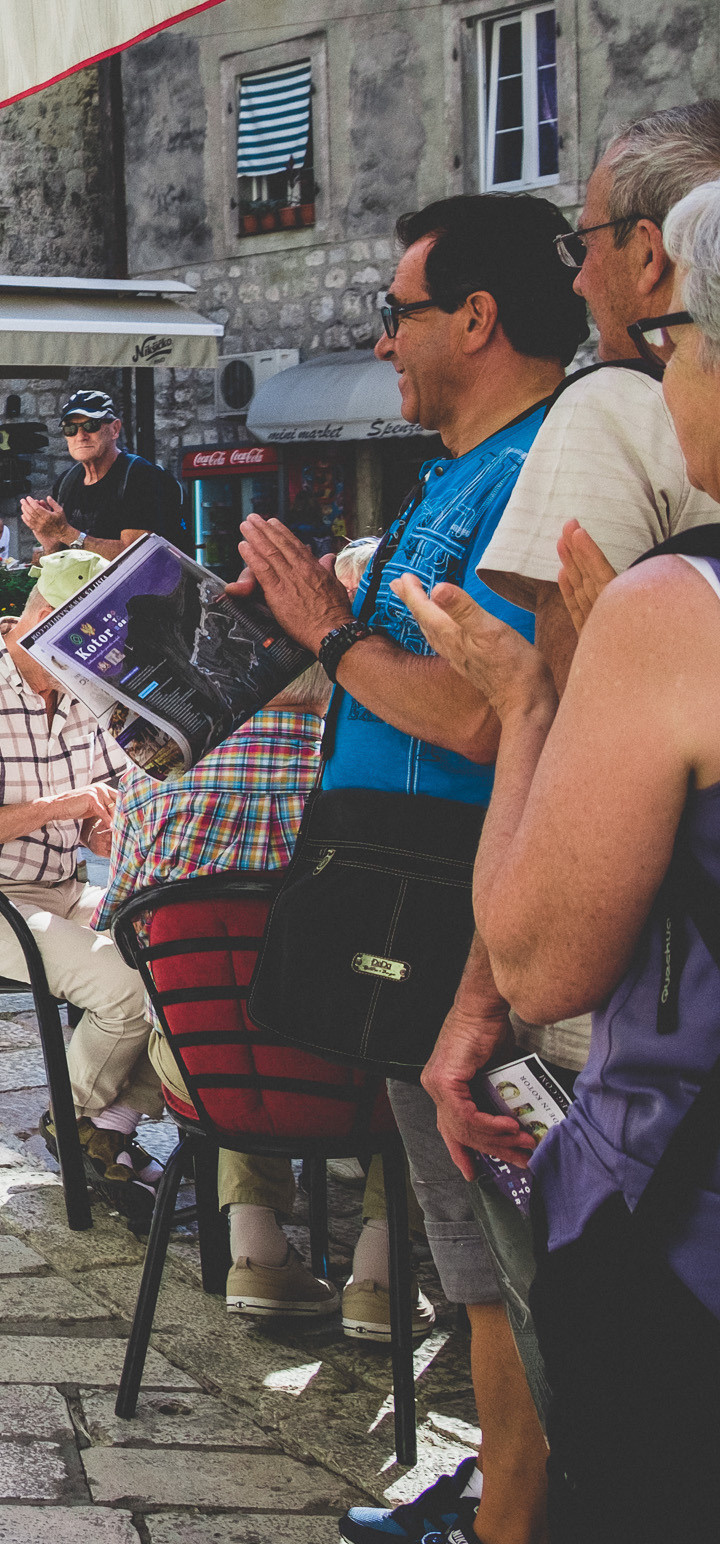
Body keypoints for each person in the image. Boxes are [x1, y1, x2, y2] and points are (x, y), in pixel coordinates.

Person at [230, 193, 588, 1544]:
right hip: (413, 884)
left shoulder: (536, 471)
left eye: (400, 311)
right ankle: (500, 1490)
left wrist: (329, 633)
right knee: (471, 1255)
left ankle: (518, 1517)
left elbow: (491, 716)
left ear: (478, 321)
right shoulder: (465, 469)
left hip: (462, 900)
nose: (385, 339)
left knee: (500, 1255)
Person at [392, 176, 720, 1544]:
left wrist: (534, 703)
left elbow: (539, 952)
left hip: (687, 1228)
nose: (659, 366)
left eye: (683, 343)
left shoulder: (680, 608)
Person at [99, 542, 427, 1338]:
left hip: (209, 1068)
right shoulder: (370, 775)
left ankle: (257, 1249)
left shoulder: (151, 774)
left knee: (241, 992)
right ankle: (382, 1270)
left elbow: (124, 923)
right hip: (348, 1075)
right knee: (416, 1010)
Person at [0, 549, 163, 1203]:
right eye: (86, 649)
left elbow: (100, 813)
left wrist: (100, 824)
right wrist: (60, 808)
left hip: (59, 887)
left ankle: (108, 1125)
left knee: (191, 965)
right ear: (42, 620)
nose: (96, 668)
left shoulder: (83, 689)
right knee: (129, 990)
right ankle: (72, 1123)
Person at [478, 101, 720, 697]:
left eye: (583, 243)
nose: (579, 278)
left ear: (646, 251)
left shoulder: (604, 405)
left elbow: (572, 702)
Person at [20, 389, 183, 560]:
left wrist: (65, 532)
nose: (80, 436)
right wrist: (50, 544)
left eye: (91, 425)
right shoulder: (65, 482)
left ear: (114, 429)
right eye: (70, 428)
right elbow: (56, 564)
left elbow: (137, 557)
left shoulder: (140, 476)